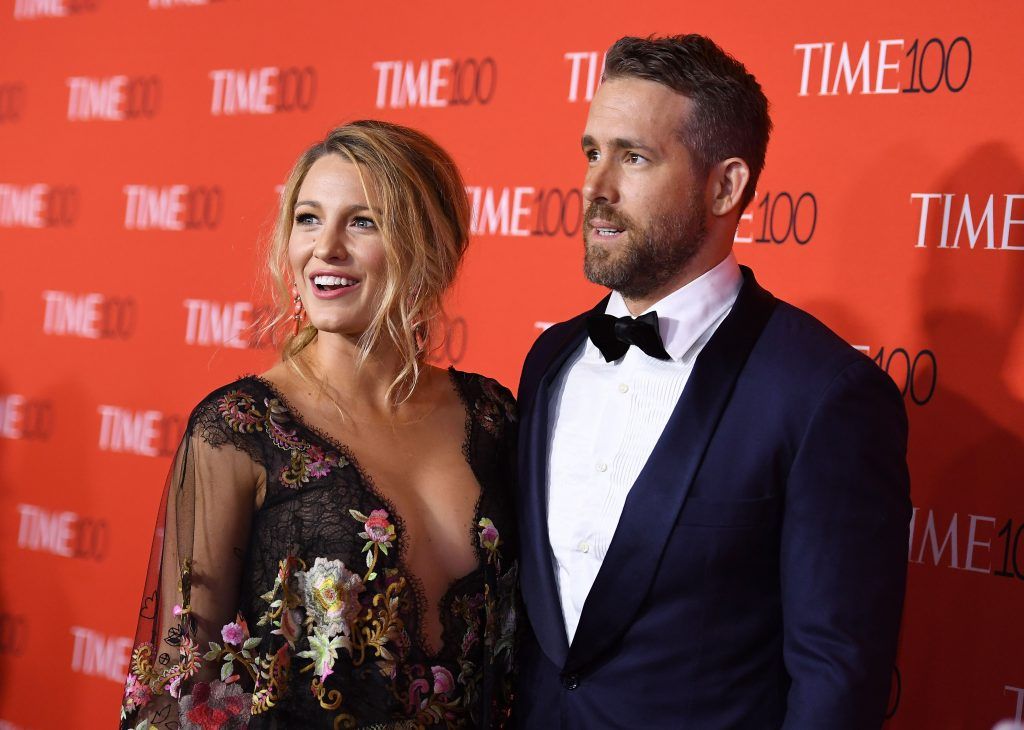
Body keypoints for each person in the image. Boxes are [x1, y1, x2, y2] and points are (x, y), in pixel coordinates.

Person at [514, 35, 911, 728]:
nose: (595, 188)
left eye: (634, 157)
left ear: (725, 185)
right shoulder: (550, 359)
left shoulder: (823, 394)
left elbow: (836, 680)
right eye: (591, 152)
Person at [120, 121, 518, 729]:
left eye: (363, 222)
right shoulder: (240, 429)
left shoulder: (492, 416)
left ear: (432, 247)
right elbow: (185, 689)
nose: (324, 248)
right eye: (308, 218)